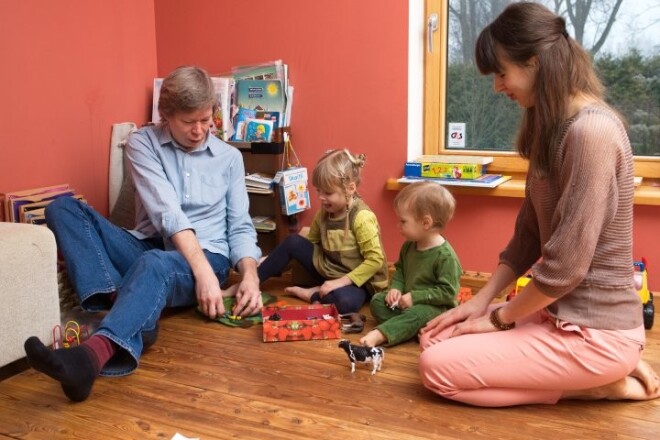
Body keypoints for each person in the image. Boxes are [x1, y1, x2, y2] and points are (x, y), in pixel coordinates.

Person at [418, 2, 660, 407]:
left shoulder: (592, 134)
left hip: (594, 331)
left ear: (535, 63)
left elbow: (565, 268)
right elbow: (527, 236)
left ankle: (604, 381)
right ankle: (601, 372)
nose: (498, 87)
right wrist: (479, 302)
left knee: (436, 370)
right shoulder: (550, 128)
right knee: (435, 335)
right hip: (558, 316)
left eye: (501, 73)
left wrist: (497, 320)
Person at [23, 66, 263, 402]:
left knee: (156, 263)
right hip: (149, 246)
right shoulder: (141, 143)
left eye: (206, 120)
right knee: (61, 209)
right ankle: (130, 312)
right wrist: (202, 273)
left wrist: (250, 275)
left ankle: (90, 358)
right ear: (166, 115)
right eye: (188, 122)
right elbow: (168, 212)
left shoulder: (230, 158)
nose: (199, 131)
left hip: (210, 258)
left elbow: (240, 225)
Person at [228, 148, 389, 315]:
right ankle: (249, 283)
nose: (321, 197)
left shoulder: (362, 217)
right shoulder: (324, 212)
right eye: (318, 191)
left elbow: (375, 260)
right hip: (330, 270)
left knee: (345, 303)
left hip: (358, 281)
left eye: (328, 193)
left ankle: (312, 294)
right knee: (293, 241)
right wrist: (273, 259)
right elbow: (308, 243)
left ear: (350, 188)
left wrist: (339, 282)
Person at [360, 181, 462, 348]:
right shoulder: (409, 245)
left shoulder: (446, 257)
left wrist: (415, 297)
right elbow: (401, 270)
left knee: (417, 314)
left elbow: (448, 293)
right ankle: (412, 329)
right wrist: (396, 288)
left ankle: (380, 334)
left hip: (436, 309)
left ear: (426, 223)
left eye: (403, 221)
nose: (398, 225)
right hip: (407, 303)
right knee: (377, 302)